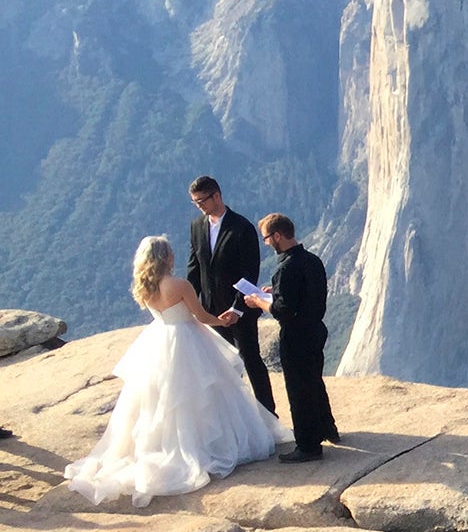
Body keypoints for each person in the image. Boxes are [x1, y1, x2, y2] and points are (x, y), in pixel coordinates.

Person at [64, 236, 291, 506]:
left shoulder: (144, 286)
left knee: (161, 400)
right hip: (187, 340)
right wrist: (224, 320)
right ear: (166, 257)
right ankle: (207, 445)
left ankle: (161, 446)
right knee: (204, 392)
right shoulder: (179, 284)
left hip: (158, 341)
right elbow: (200, 316)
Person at [243, 213, 339, 463]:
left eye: (266, 238)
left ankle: (308, 445)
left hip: (296, 336)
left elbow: (284, 311)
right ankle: (328, 427)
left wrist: (259, 302)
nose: (266, 243)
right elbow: (305, 293)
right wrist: (274, 291)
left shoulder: (286, 268)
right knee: (315, 382)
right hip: (316, 329)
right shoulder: (312, 260)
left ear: (277, 236)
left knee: (299, 389)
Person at [185, 175, 275, 413]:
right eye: (195, 202)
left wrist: (237, 309)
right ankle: (234, 415)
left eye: (202, 200)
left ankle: (268, 414)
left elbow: (249, 272)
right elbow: (195, 268)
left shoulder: (241, 227)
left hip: (240, 311)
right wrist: (189, 302)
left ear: (217, 195)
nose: (199, 206)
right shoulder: (196, 227)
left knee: (251, 360)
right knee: (221, 366)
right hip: (210, 311)